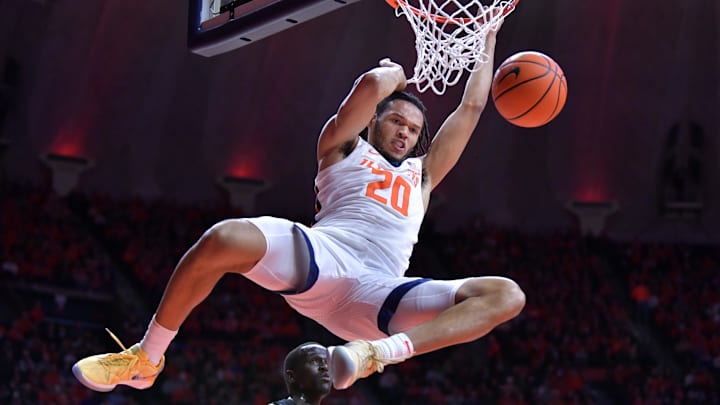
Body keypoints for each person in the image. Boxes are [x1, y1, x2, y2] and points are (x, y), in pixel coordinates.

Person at [72, 19, 525, 393]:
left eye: (414, 128)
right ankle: (146, 358)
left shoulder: (421, 175)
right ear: (374, 122)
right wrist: (393, 77)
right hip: (323, 258)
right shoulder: (342, 146)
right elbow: (369, 84)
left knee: (506, 295)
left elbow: (470, 108)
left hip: (380, 291)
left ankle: (374, 355)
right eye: (397, 120)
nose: (407, 132)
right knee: (223, 238)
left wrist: (486, 35)